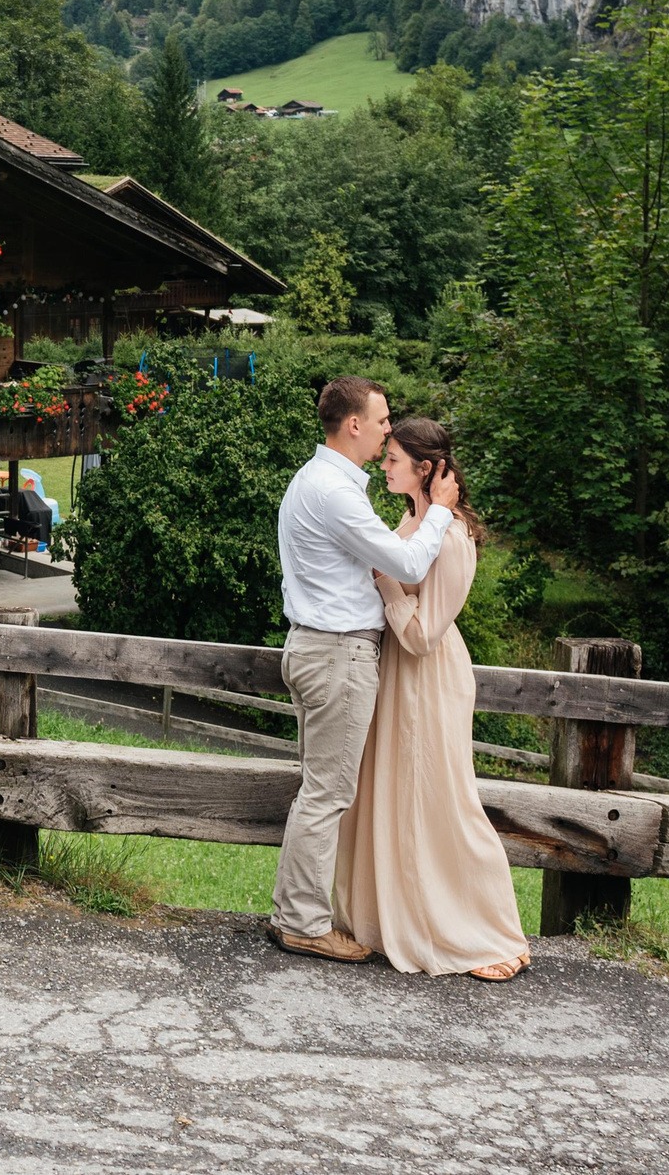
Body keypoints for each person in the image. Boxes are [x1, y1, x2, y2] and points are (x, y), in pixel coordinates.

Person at [267, 374, 457, 962]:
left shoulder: (313, 480)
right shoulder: (335, 492)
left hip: (315, 649)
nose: (387, 429)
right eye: (381, 420)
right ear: (354, 424)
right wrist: (440, 513)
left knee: (318, 791)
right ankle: (302, 923)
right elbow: (406, 562)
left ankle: (292, 914)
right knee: (327, 794)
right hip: (338, 655)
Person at [337, 417, 531, 981]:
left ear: (425, 468)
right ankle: (390, 919)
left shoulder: (451, 536)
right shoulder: (413, 520)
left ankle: (494, 935)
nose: (384, 465)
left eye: (394, 459)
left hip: (428, 680)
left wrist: (384, 579)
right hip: (397, 676)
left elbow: (424, 634)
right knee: (394, 799)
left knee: (446, 803)